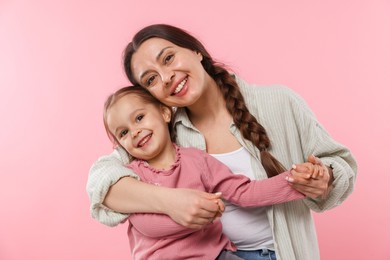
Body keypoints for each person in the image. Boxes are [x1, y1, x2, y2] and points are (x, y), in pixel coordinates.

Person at [87, 24, 357, 260]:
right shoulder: (157, 137)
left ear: (196, 51)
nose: (167, 77)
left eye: (169, 58)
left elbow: (338, 163)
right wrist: (171, 202)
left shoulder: (279, 102)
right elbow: (101, 181)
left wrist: (323, 177)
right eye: (151, 79)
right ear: (152, 97)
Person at [103, 85, 308, 259]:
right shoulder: (131, 177)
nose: (135, 131)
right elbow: (148, 226)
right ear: (120, 145)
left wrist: (295, 181)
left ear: (165, 113)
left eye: (139, 118)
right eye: (123, 133)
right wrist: (200, 212)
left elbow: (243, 191)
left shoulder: (197, 160)